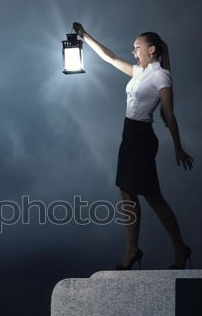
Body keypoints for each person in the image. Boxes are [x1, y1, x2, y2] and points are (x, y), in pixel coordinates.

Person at [72, 22, 194, 270]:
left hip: (141, 138)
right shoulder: (140, 72)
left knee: (152, 196)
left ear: (152, 49)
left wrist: (178, 147)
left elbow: (169, 113)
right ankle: (133, 249)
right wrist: (85, 36)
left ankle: (177, 249)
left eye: (137, 47)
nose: (133, 51)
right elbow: (110, 57)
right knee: (127, 192)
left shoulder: (161, 75)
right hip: (129, 135)